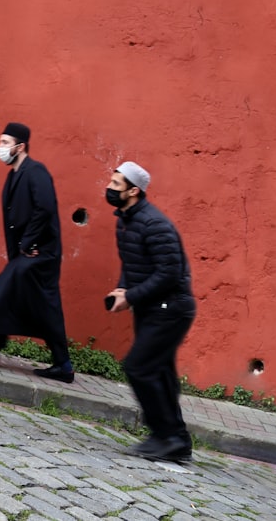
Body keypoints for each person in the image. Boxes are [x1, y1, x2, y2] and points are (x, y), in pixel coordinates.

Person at [0, 122, 74, 383]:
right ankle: (64, 365)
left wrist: (27, 242)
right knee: (44, 307)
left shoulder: (36, 171)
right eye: (0, 142)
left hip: (40, 254)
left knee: (0, 288)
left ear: (20, 146)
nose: (0, 148)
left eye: (5, 143)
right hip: (28, 253)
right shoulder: (15, 174)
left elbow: (45, 208)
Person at [104, 161, 196, 463]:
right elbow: (132, 264)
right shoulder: (126, 220)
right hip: (152, 306)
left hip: (171, 309)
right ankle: (175, 439)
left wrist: (130, 296)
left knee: (139, 367)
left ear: (134, 191)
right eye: (111, 181)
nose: (110, 187)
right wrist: (122, 290)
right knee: (160, 371)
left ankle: (167, 435)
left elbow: (169, 274)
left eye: (117, 184)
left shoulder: (154, 224)